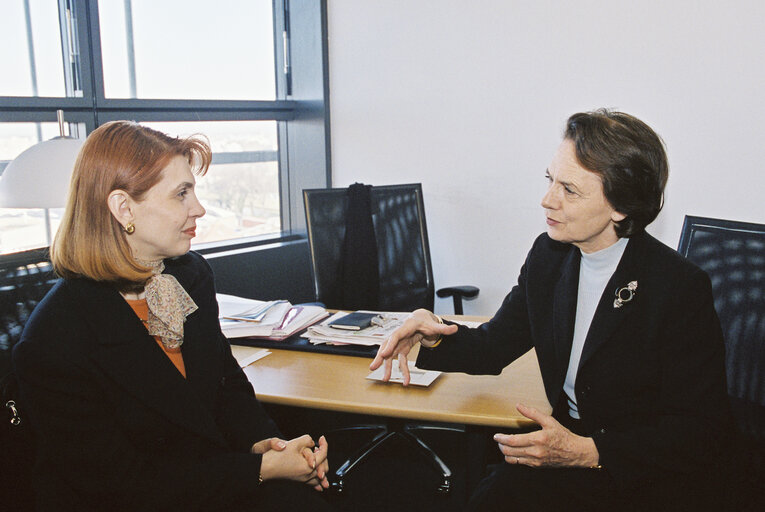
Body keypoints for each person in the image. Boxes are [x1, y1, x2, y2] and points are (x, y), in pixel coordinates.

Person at [371, 109, 731, 511]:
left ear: (621, 206)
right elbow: (494, 345)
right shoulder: (550, 256)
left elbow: (700, 431)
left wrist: (589, 451)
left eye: (570, 190)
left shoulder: (678, 286)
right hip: (567, 449)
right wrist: (435, 334)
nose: (547, 199)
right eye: (550, 180)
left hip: (641, 471)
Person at [13, 121, 333, 511]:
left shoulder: (189, 274)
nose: (198, 208)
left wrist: (263, 443)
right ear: (123, 208)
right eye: (181, 194)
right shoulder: (54, 341)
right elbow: (123, 487)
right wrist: (261, 468)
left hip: (208, 480)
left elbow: (225, 384)